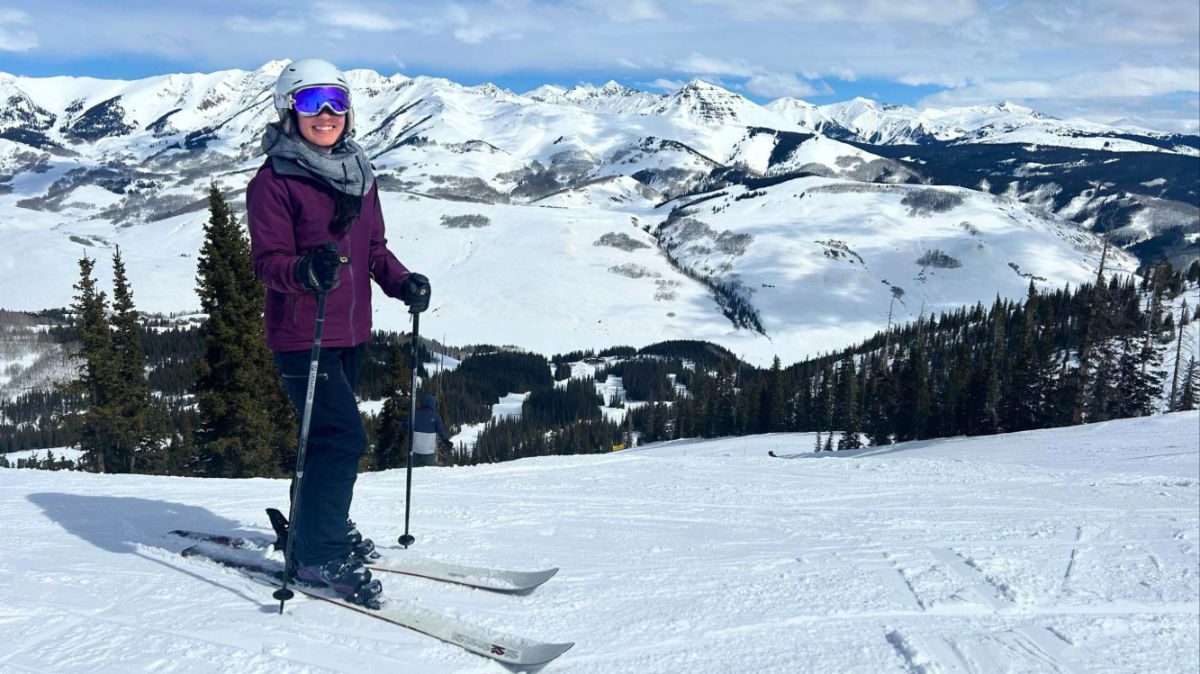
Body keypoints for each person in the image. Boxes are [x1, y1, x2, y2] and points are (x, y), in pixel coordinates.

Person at [246, 58, 431, 608]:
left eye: (335, 102)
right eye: (310, 102)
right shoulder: (274, 181)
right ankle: (317, 553)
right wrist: (303, 272)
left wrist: (402, 283)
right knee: (342, 439)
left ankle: (314, 527)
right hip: (303, 335)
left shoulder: (360, 173)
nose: (325, 114)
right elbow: (267, 262)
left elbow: (372, 249)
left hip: (350, 331)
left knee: (327, 442)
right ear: (288, 111)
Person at [401, 394, 453, 467]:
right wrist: (446, 442)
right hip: (428, 452)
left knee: (413, 472)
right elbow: (441, 431)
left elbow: (405, 426)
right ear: (432, 404)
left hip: (415, 450)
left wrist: (401, 436)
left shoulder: (414, 414)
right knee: (428, 473)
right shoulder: (436, 417)